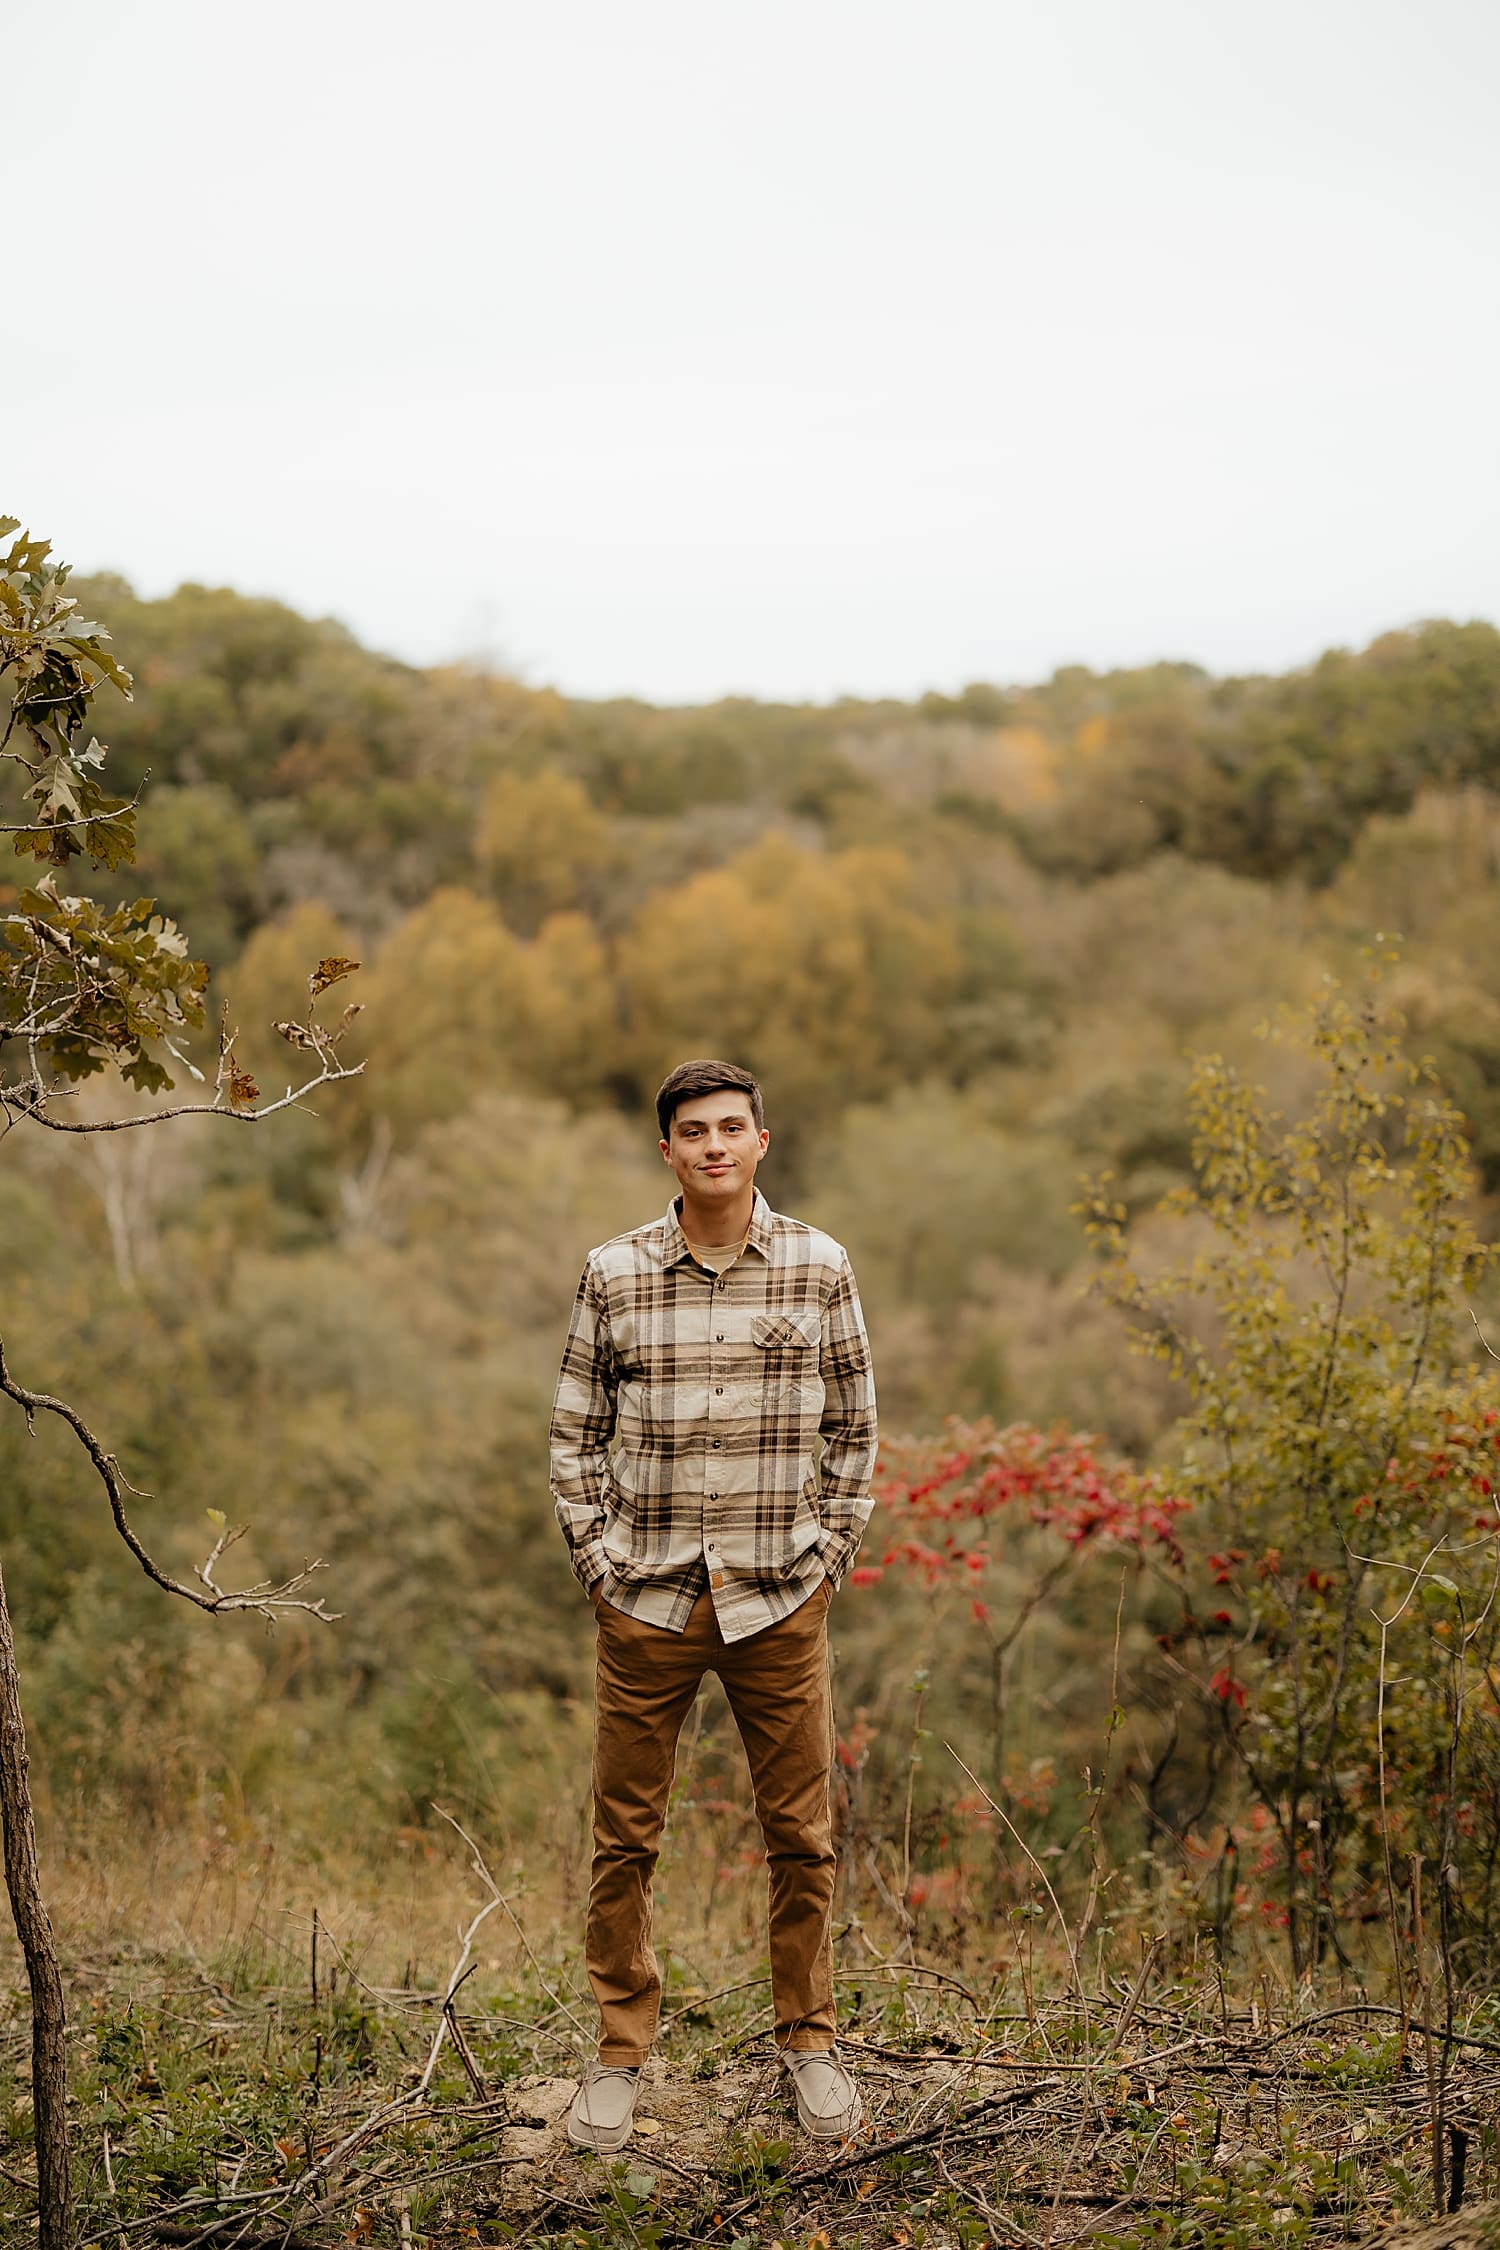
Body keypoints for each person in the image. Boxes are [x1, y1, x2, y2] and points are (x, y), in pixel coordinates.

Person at [549, 1058, 878, 2154]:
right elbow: (573, 1436)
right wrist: (600, 1564)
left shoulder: (821, 1266)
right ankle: (616, 2056)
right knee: (626, 1836)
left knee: (802, 1834)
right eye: (694, 1131)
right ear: (669, 1152)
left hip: (780, 1595)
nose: (715, 1146)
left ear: (761, 1142)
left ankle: (810, 2044)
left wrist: (827, 1553)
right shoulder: (615, 1273)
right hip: (645, 1597)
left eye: (732, 1127)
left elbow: (856, 1432)